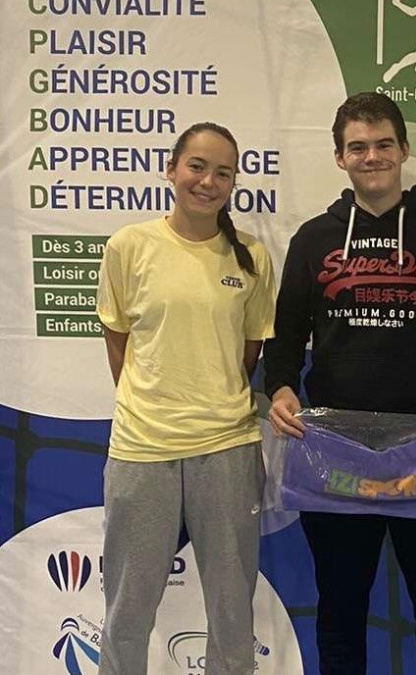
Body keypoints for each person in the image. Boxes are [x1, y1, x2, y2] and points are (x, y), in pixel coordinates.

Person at [263, 91, 416, 675]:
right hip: (336, 451)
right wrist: (282, 388)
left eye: (383, 144)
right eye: (358, 147)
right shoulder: (313, 238)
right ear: (340, 157)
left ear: (404, 150)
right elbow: (285, 334)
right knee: (341, 609)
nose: (372, 157)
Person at [96, 122, 276, 675]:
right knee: (127, 608)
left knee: (231, 611)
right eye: (197, 166)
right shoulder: (129, 246)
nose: (208, 181)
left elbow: (247, 354)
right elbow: (118, 342)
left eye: (223, 172)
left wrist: (210, 397)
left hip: (227, 448)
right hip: (142, 448)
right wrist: (154, 402)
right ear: (172, 169)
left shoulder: (251, 256)